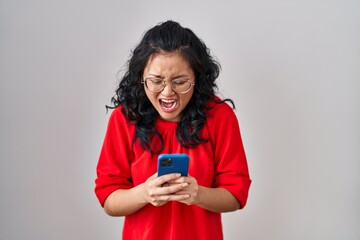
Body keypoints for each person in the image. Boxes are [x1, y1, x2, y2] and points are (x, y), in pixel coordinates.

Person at [95, 20, 251, 240]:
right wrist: (144, 193)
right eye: (156, 81)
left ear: (197, 78)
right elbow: (109, 200)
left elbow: (236, 195)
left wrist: (198, 194)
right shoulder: (124, 119)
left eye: (180, 81)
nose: (168, 92)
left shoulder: (220, 117)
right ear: (141, 78)